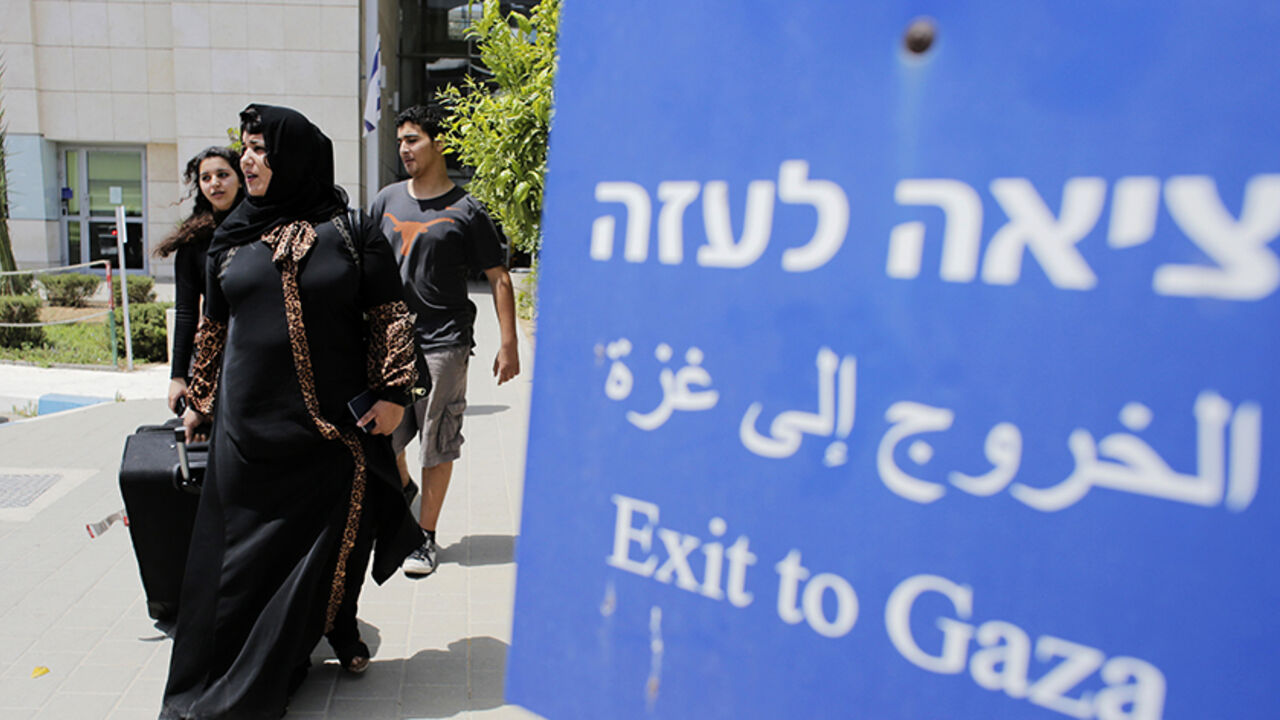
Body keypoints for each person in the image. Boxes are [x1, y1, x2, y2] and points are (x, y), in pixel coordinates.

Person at [161, 104, 424, 719]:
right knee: (242, 568)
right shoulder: (228, 237)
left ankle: (333, 628)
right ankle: (248, 664)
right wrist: (199, 399)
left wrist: (394, 395)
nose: (247, 160)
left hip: (327, 435)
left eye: (260, 149)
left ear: (294, 157)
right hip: (245, 440)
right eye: (244, 148)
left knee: (336, 547)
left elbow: (391, 315)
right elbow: (212, 329)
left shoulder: (352, 232)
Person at [369, 104, 520, 578]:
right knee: (383, 439)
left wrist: (508, 344)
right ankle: (409, 495)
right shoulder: (387, 201)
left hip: (444, 343)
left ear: (438, 144)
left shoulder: (467, 210)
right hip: (391, 343)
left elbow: (499, 278)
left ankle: (424, 538)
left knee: (437, 439)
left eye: (412, 140)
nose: (404, 150)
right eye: (399, 142)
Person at [152, 146, 244, 415]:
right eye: (206, 177)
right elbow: (186, 312)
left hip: (256, 351)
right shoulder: (194, 243)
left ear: (240, 178)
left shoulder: (263, 231)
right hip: (214, 355)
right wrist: (178, 375)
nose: (214, 183)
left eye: (223, 174)